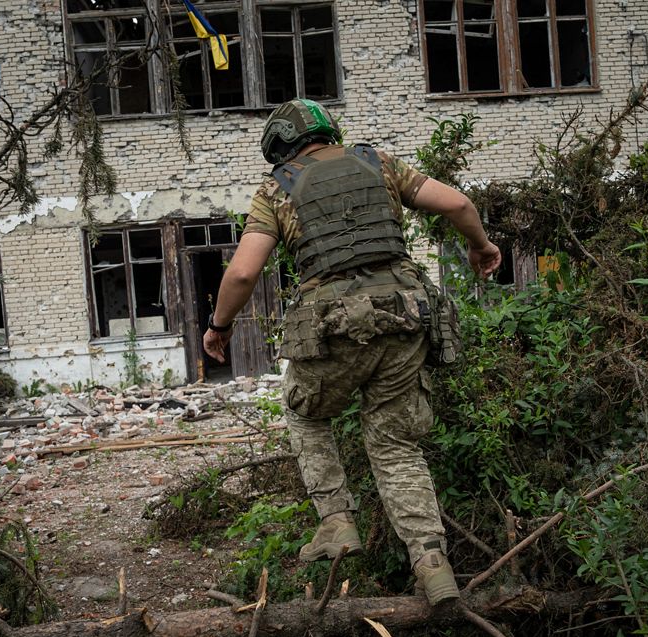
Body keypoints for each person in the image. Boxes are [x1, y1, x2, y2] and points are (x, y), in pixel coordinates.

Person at [203, 99, 501, 605]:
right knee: (396, 446)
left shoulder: (277, 188)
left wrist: (219, 327)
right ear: (329, 130)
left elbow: (243, 272)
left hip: (334, 327)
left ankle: (338, 522)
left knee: (304, 413)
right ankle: (432, 564)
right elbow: (458, 205)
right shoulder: (378, 162)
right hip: (407, 321)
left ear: (279, 148)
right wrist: (480, 246)